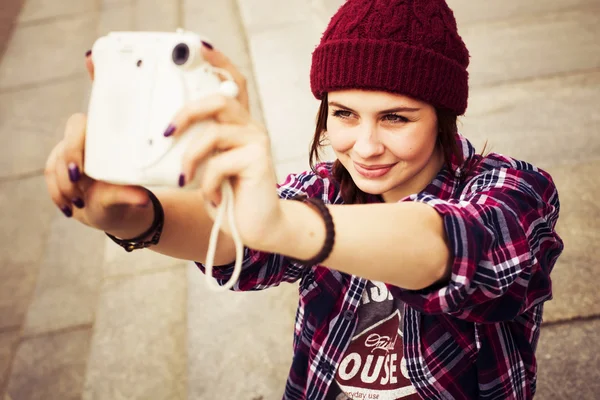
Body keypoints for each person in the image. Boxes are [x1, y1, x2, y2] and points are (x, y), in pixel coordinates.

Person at [44, 0, 564, 399]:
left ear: (445, 115)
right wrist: (134, 215)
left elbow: (459, 247)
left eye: (396, 117)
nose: (365, 147)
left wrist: (286, 226)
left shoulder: (516, 192)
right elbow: (238, 241)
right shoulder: (323, 190)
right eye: (344, 114)